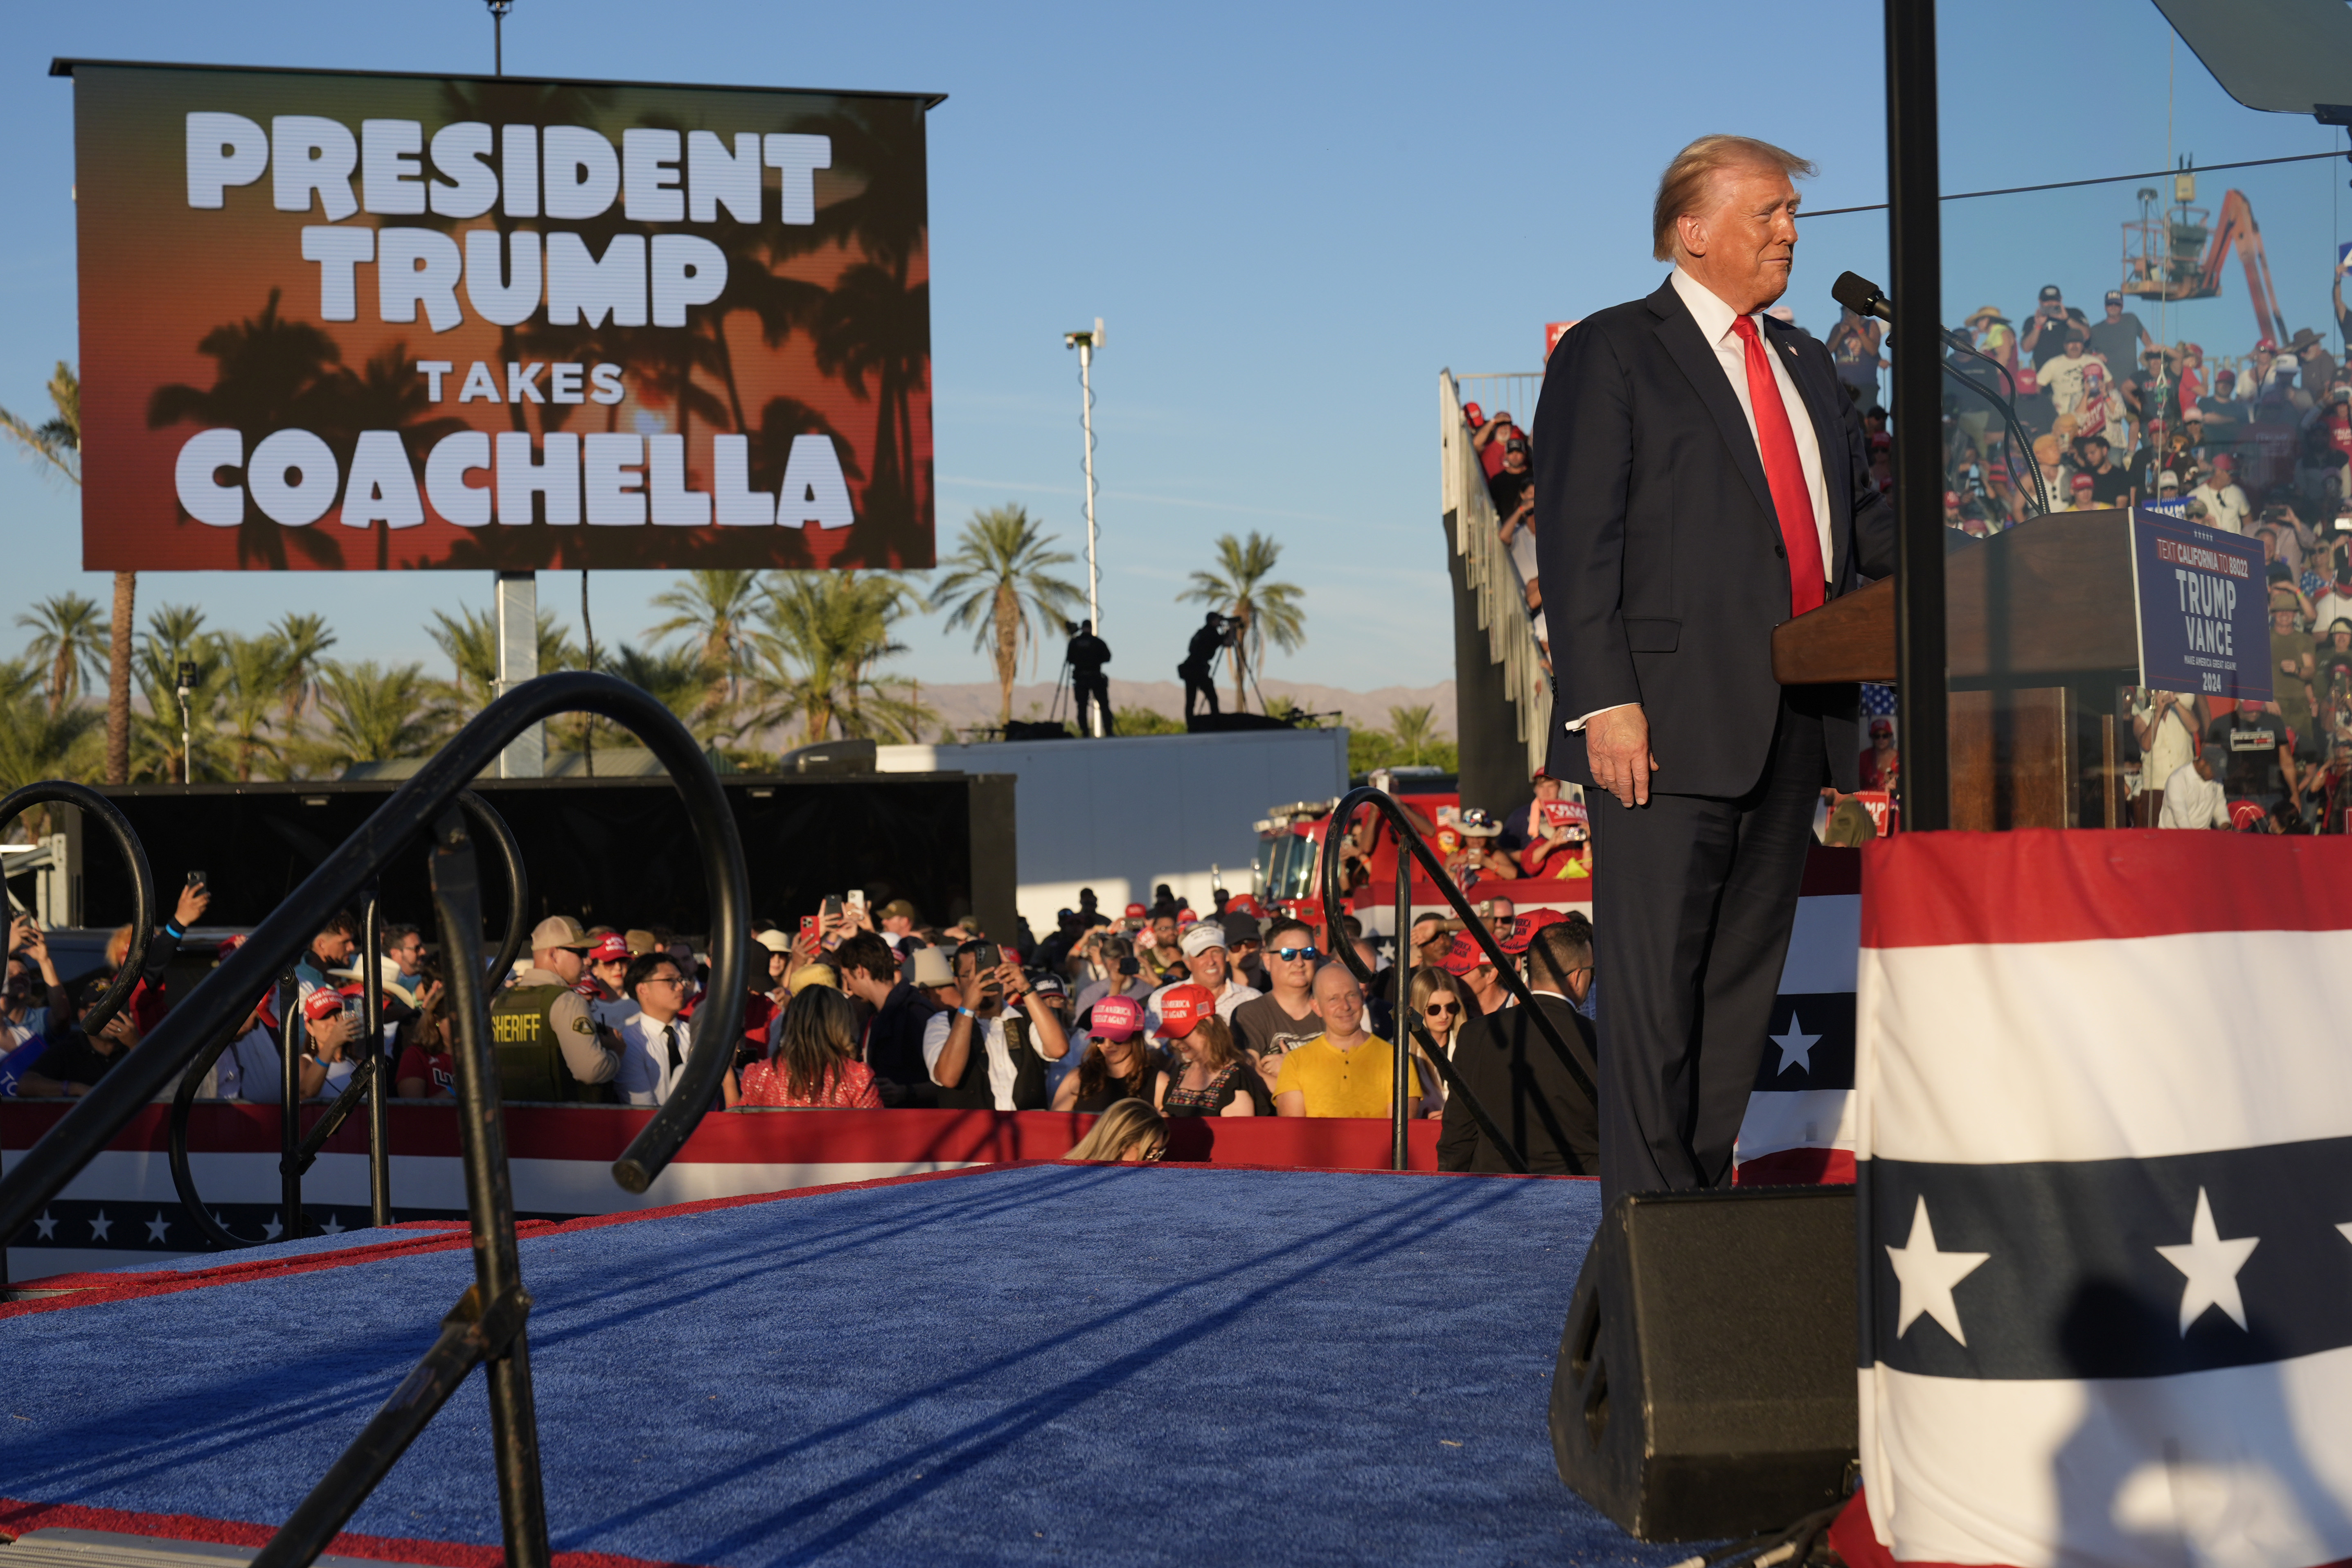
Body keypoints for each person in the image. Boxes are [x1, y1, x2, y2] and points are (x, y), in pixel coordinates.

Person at [1534, 134, 1896, 1205]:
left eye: (1792, 213)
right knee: (1655, 1005)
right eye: (1768, 212)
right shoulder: (1612, 352)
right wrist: (1605, 700)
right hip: (1661, 726)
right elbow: (1577, 536)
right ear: (1690, 231)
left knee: (1737, 1001)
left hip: (1794, 723)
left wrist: (1993, 571)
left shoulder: (1805, 362)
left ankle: (1695, 1237)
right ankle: (1648, 1246)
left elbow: (1859, 531)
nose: (1789, 231)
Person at [1437, 917, 1601, 1174]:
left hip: (1493, 1196)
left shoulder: (1476, 1034)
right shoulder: (1598, 1040)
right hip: (1579, 1196)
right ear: (1578, 977)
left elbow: (1458, 1137)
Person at [486, 915, 622, 1102]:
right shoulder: (567, 1002)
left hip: (508, 1123)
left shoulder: (499, 1003)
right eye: (581, 953)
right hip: (559, 1122)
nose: (588, 961)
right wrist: (617, 1053)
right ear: (554, 955)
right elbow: (591, 1072)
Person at [926, 940, 1070, 1110]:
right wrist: (967, 1008)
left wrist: (1025, 987)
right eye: (968, 974)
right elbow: (948, 1077)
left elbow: (1058, 1049)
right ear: (957, 982)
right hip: (974, 1134)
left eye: (986, 972)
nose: (978, 980)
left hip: (1026, 1131)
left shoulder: (1026, 1017)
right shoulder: (942, 1022)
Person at [1273, 964, 1424, 1118]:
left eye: (1351, 995)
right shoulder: (1295, 1063)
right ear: (1317, 1007)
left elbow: (1401, 1133)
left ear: (1362, 996)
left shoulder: (1397, 1060)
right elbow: (1293, 1133)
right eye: (1333, 999)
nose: (1345, 1006)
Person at [833, 929, 937, 1108]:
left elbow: (948, 1081)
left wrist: (905, 1091)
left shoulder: (917, 1014)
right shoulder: (870, 1018)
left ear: (859, 971)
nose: (848, 985)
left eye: (846, 976)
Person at [740, 985, 881, 1108]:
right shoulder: (858, 1079)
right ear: (843, 1025)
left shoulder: (759, 1076)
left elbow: (739, 1125)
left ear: (792, 1021)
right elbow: (877, 1132)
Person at [1226, 918, 1325, 1073]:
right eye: (1288, 954)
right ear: (1267, 960)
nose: (1299, 962)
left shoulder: (1334, 1007)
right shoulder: (1249, 1015)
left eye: (1308, 953)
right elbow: (1253, 1078)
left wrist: (1294, 1065)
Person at [613, 951, 702, 1106]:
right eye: (670, 981)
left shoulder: (695, 1034)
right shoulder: (629, 1041)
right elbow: (643, 1108)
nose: (681, 987)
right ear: (642, 990)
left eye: (681, 980)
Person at [1053, 994, 1162, 1112]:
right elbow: (1054, 1126)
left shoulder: (1158, 1083)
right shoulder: (1077, 1079)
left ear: (1135, 1037)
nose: (1108, 1045)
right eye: (1100, 1038)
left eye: (1116, 1038)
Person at [1154, 1005, 1268, 1118]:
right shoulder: (1180, 1072)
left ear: (1208, 1025)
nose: (1175, 1043)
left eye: (1183, 1033)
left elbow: (1239, 1134)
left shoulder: (1234, 1080)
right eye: (1172, 1035)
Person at [1146, 920, 1260, 1023]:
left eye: (1216, 952)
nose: (1211, 962)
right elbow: (1154, 1045)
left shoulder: (1252, 999)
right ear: (1187, 962)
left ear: (1226, 956)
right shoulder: (1162, 1000)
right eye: (1201, 954)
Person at [2131, 689, 2206, 826]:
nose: (2162, 693)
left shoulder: (2182, 711)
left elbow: (2195, 727)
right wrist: (2158, 712)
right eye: (2158, 691)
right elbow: (2147, 745)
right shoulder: (2142, 718)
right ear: (2149, 694)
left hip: (2185, 787)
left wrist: (2175, 701)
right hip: (2156, 789)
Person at [1404, 965, 1470, 1117]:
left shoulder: (1471, 1046)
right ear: (1416, 1006)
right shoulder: (1400, 1050)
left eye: (1451, 1007)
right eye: (1434, 1009)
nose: (1444, 1016)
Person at [1063, 1099, 1167, 1163]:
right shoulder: (1069, 1185)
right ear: (1121, 1145)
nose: (1157, 1162)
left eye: (1158, 1153)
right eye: (1149, 1152)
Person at [2158, 748, 2231, 829]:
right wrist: (2193, 838)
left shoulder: (2216, 779)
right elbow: (2181, 817)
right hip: (2175, 834)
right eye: (2213, 770)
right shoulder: (2178, 779)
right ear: (2203, 762)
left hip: (2203, 835)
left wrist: (2227, 828)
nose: (2215, 775)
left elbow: (2219, 806)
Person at [1066, 619, 1115, 737]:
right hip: (1096, 677)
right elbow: (1108, 657)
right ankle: (1109, 732)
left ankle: (1085, 733)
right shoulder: (1098, 642)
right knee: (1104, 705)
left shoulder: (1075, 642)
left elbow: (1070, 659)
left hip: (1081, 678)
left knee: (1082, 706)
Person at [1179, 613, 1227, 719]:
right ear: (1213, 621)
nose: (1220, 622)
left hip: (1189, 668)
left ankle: (1190, 724)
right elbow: (1228, 643)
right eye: (1218, 620)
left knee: (1191, 700)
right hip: (1198, 669)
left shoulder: (1201, 632)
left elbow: (1190, 648)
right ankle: (1216, 722)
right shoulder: (1212, 634)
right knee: (1212, 697)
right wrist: (1231, 630)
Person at [2190, 454, 2251, 535]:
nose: (2232, 477)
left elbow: (2248, 520)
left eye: (2234, 474)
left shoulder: (2237, 492)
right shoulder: (2195, 495)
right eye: (2230, 473)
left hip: (2234, 545)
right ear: (2219, 471)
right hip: (2208, 545)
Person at [1858, 716, 1898, 791]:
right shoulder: (1864, 757)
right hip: (1868, 800)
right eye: (1877, 736)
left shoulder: (1900, 757)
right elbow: (1856, 785)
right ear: (1872, 738)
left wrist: (1897, 778)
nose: (1881, 739)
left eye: (1885, 736)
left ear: (1890, 737)